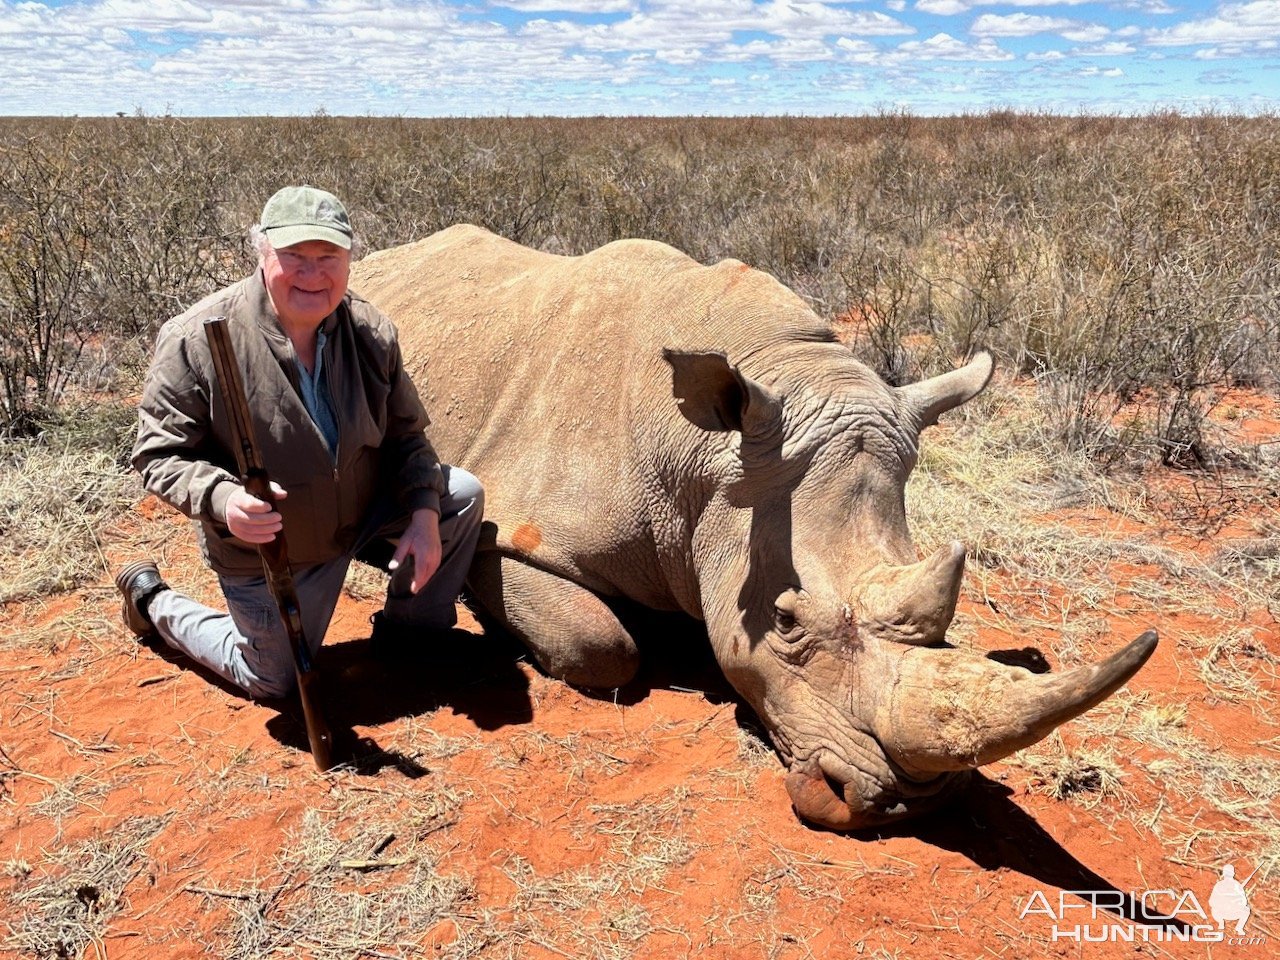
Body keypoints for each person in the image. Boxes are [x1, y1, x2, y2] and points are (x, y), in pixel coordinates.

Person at [115, 185, 483, 699]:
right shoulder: (196, 337)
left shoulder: (372, 333)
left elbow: (407, 437)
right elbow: (158, 454)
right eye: (294, 257)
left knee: (459, 495)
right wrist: (225, 501)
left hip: (359, 511)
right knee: (273, 680)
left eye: (328, 256)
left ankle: (410, 631)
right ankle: (154, 603)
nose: (313, 274)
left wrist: (423, 512)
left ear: (350, 259)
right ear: (262, 254)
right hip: (275, 545)